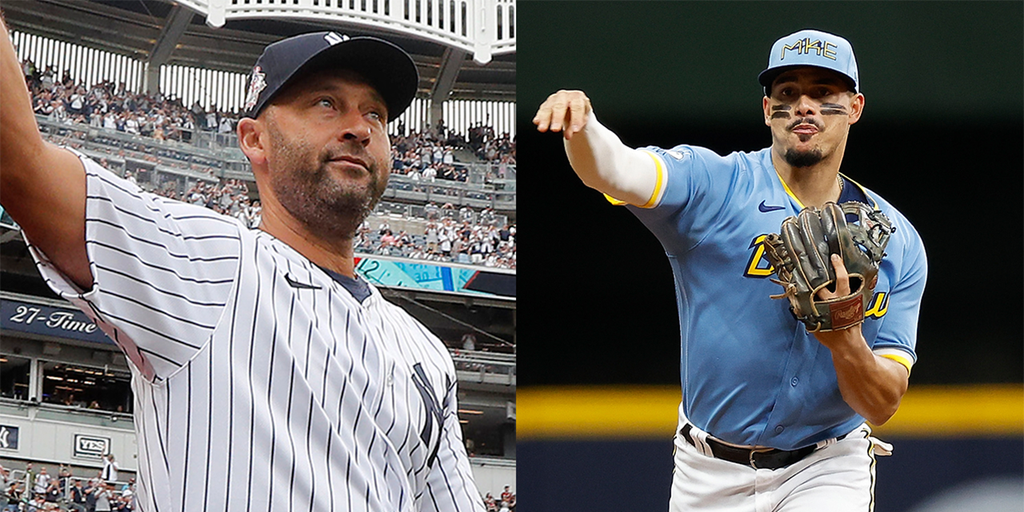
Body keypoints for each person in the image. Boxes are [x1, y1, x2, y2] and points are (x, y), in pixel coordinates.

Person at [0, 17, 483, 512]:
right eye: (326, 103)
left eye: (376, 115)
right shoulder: (206, 262)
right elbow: (19, 162)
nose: (359, 129)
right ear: (255, 140)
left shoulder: (424, 350)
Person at [534, 29, 927, 510]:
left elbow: (883, 404)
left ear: (855, 108)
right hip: (707, 472)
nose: (804, 106)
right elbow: (617, 170)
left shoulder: (896, 242)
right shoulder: (715, 186)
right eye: (787, 93)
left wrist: (846, 340)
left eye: (823, 93)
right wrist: (585, 126)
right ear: (767, 111)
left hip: (827, 466)